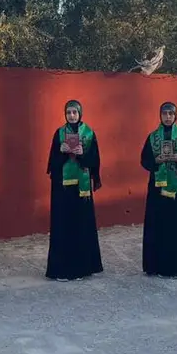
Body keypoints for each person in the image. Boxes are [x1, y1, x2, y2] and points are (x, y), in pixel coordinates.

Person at [45, 99, 104, 281]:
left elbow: (95, 161)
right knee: (62, 227)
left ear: (80, 113)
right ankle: (61, 270)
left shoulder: (89, 133)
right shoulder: (59, 133)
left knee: (81, 226)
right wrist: (61, 151)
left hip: (81, 190)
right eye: (68, 112)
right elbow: (52, 164)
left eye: (74, 112)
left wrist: (82, 154)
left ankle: (82, 269)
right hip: (62, 189)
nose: (71, 115)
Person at [141, 102, 177, 278]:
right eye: (164, 113)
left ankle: (176, 266)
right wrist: (156, 161)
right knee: (156, 224)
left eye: (171, 114)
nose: (167, 117)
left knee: (176, 226)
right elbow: (144, 160)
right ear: (160, 115)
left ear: (175, 116)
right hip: (157, 188)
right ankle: (155, 265)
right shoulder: (152, 137)